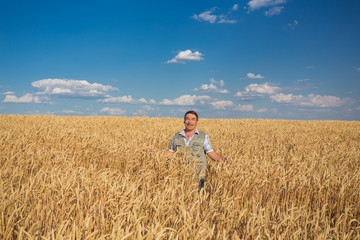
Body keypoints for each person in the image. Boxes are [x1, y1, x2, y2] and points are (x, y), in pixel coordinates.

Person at [166, 110, 231, 193]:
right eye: (187, 119)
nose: (190, 122)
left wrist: (224, 160)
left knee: (198, 198)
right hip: (180, 176)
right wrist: (158, 154)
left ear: (197, 122)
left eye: (193, 119)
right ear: (184, 121)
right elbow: (171, 152)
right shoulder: (177, 136)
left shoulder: (203, 136)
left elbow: (210, 153)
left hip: (198, 176)